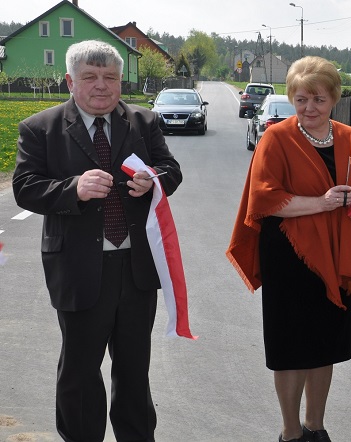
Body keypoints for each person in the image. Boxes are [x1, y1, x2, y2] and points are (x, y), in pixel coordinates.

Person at [13, 40, 182, 441]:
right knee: (80, 371)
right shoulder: (41, 128)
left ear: (121, 81)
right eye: (90, 77)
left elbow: (171, 170)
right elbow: (25, 187)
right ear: (70, 81)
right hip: (79, 269)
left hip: (136, 269)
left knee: (135, 370)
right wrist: (73, 188)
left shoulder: (143, 122)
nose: (101, 86)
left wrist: (153, 180)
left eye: (111, 77)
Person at [226, 56, 351, 442]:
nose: (309, 108)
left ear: (333, 99)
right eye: (300, 99)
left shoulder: (350, 138)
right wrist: (323, 203)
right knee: (291, 346)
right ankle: (290, 432)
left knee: (323, 345)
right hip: (289, 257)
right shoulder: (276, 138)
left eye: (318, 99)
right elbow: (263, 201)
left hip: (336, 251)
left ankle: (316, 426)